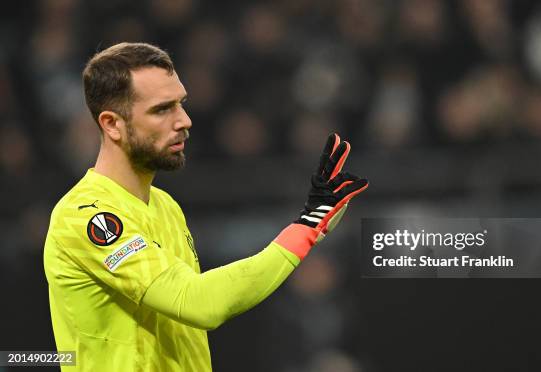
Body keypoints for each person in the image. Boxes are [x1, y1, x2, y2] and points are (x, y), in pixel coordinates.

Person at [43, 42, 368, 371]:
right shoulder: (86, 216)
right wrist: (307, 228)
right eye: (161, 109)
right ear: (112, 124)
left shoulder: (166, 206)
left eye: (181, 104)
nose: (184, 121)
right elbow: (196, 302)